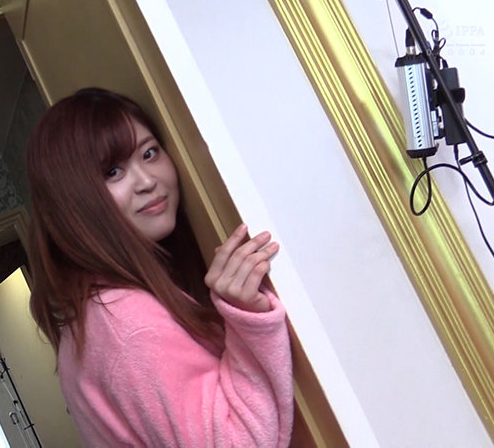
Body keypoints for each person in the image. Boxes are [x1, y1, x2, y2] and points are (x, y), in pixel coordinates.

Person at [25, 87, 293, 447]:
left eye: (149, 153)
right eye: (113, 172)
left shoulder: (95, 315)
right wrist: (247, 320)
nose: (147, 181)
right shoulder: (126, 322)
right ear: (75, 203)